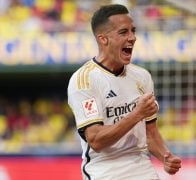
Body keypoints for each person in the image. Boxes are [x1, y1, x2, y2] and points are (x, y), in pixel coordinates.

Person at [67, 4, 181, 180]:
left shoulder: (141, 77)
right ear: (103, 39)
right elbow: (96, 140)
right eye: (123, 32)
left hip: (143, 170)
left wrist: (166, 156)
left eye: (133, 31)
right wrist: (136, 114)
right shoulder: (84, 81)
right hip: (105, 172)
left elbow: (149, 132)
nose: (133, 38)